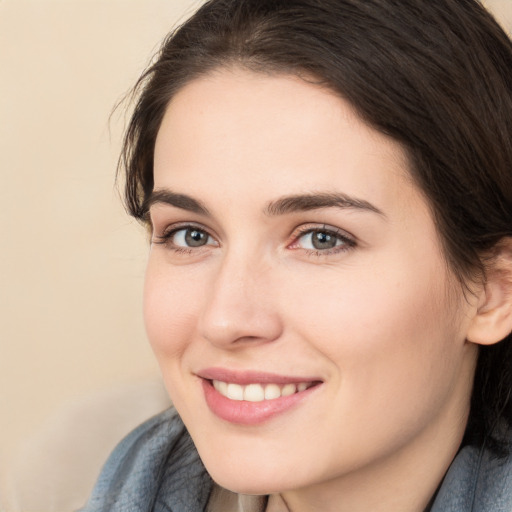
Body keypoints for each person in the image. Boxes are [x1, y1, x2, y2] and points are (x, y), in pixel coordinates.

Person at [80, 0, 512, 510]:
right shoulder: (69, 472)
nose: (225, 319)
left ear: (492, 293)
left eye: (321, 238)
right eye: (191, 235)